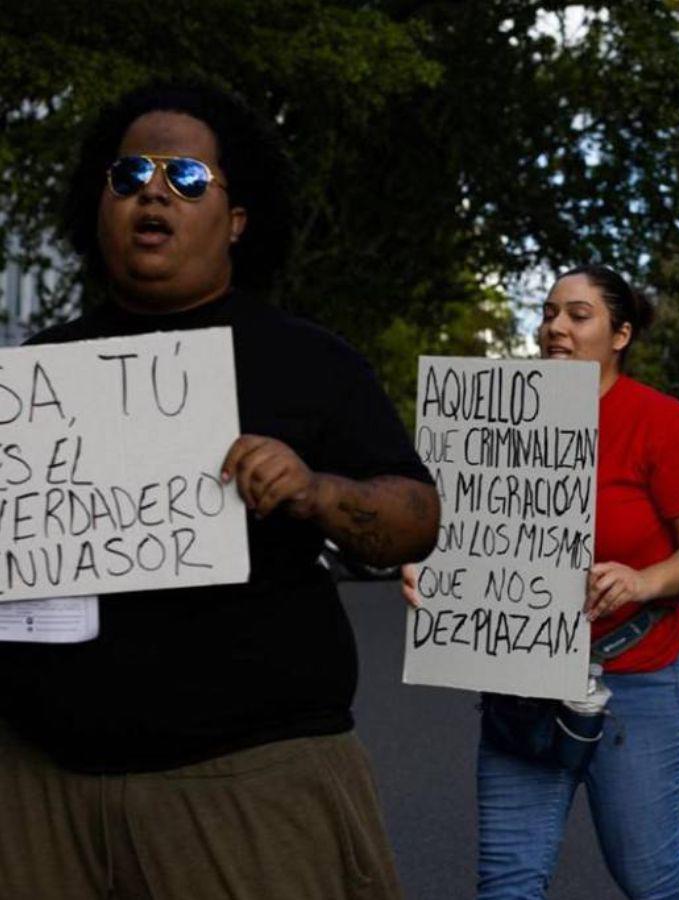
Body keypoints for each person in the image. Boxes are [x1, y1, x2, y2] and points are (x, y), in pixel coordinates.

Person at [0, 83, 439, 900]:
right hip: (35, 795)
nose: (153, 192)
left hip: (244, 792)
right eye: (128, 174)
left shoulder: (309, 362)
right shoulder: (31, 376)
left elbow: (416, 520)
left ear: (238, 218)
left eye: (187, 177)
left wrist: (314, 490)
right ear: (99, 205)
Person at [404, 264, 679, 899]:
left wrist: (645, 580)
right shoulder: (494, 421)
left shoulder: (664, 424)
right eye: (550, 313)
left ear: (620, 335)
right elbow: (460, 529)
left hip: (635, 682)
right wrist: (428, 567)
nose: (556, 326)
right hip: (522, 681)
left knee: (654, 879)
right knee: (507, 885)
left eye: (578, 315)